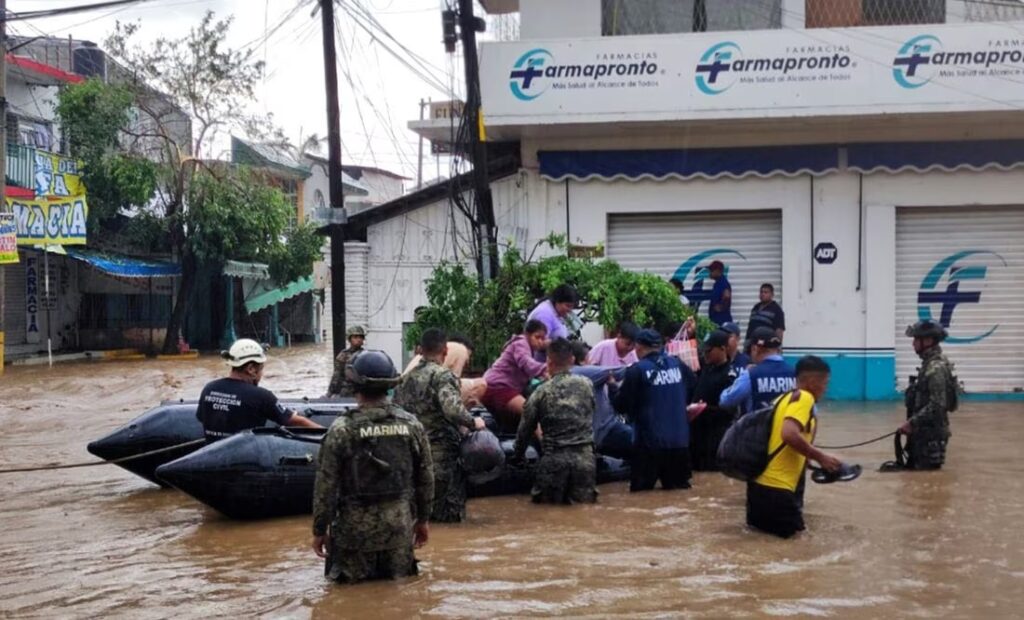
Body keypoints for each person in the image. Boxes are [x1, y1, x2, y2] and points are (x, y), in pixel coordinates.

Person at [311, 350, 434, 584]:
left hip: (353, 534)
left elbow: (325, 488)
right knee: (399, 595)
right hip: (398, 528)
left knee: (349, 599)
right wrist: (423, 520)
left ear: (353, 383)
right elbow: (426, 478)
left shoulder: (341, 430)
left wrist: (319, 530)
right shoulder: (411, 426)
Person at [393, 329, 486, 523]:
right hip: (440, 457)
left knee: (418, 518)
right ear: (445, 350)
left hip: (412, 457)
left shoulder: (404, 380)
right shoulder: (442, 376)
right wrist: (473, 422)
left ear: (420, 350)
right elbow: (452, 410)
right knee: (449, 517)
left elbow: (397, 413)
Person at [747, 355, 841, 539]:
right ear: (812, 382)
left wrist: (809, 460)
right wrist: (820, 457)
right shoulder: (805, 398)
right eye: (825, 383)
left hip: (758, 488)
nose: (826, 388)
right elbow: (789, 434)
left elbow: (781, 441)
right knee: (797, 547)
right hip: (779, 491)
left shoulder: (783, 399)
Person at [513, 338, 598, 504]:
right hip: (584, 461)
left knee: (547, 516)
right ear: (572, 360)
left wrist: (518, 456)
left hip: (554, 461)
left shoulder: (541, 392)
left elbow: (525, 430)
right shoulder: (587, 385)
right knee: (585, 514)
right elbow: (592, 411)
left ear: (548, 362)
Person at [612, 329, 695, 492]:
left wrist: (612, 388)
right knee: (679, 494)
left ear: (638, 347)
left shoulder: (636, 370)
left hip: (648, 445)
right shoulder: (678, 365)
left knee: (641, 498)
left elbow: (622, 406)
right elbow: (692, 384)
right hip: (679, 443)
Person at [197, 338, 321, 442]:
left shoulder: (209, 389)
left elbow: (202, 418)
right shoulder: (261, 396)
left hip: (211, 458)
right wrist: (327, 435)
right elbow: (295, 422)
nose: (262, 374)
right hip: (246, 461)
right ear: (251, 369)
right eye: (261, 369)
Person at [881, 320, 958, 472]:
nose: (913, 344)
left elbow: (937, 405)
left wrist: (911, 423)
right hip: (923, 434)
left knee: (928, 484)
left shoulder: (935, 368)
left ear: (928, 341)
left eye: (916, 339)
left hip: (930, 437)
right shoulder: (930, 364)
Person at [481, 319, 549, 432]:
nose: (540, 342)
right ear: (527, 334)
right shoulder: (521, 343)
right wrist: (547, 368)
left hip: (496, 387)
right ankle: (548, 448)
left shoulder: (527, 348)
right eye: (537, 337)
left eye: (543, 339)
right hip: (499, 388)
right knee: (532, 415)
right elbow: (526, 363)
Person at [689, 330, 737, 471]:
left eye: (709, 351)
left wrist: (703, 409)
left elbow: (729, 411)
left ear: (722, 349)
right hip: (697, 436)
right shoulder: (706, 368)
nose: (705, 354)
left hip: (715, 437)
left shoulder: (729, 375)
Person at [720, 327, 796, 415]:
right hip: (786, 427)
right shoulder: (794, 373)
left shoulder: (751, 374)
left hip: (758, 427)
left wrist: (742, 376)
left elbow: (726, 400)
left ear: (755, 349)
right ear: (777, 349)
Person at [527, 284, 579, 351]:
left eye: (572, 307)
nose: (570, 310)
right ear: (558, 301)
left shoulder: (557, 313)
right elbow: (539, 343)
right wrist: (560, 344)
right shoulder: (544, 314)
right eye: (567, 306)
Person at [403, 333, 474, 378]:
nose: (467, 361)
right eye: (468, 356)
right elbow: (455, 382)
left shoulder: (439, 348)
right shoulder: (461, 350)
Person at [326, 326, 367, 397]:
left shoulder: (366, 354)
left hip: (362, 390)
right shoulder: (343, 355)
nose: (359, 339)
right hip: (348, 390)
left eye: (361, 337)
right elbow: (337, 376)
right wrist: (329, 393)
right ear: (349, 339)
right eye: (355, 337)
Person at [707, 260, 732, 326]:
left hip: (721, 321)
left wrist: (720, 307)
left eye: (711, 270)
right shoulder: (717, 283)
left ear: (718, 271)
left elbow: (727, 296)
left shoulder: (723, 283)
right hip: (716, 320)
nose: (709, 273)